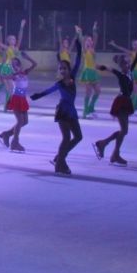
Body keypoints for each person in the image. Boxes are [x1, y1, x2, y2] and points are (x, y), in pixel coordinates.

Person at [31, 39, 82, 175]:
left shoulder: (73, 77)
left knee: (78, 137)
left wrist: (79, 48)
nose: (62, 70)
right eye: (60, 69)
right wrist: (38, 95)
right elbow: (48, 91)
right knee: (66, 138)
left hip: (71, 111)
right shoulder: (60, 83)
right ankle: (60, 163)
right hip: (63, 111)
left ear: (69, 69)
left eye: (65, 68)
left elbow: (78, 61)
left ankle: (59, 157)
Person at [93, 36, 137, 166]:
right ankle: (106, 146)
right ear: (121, 66)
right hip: (121, 103)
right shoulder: (120, 74)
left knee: (124, 131)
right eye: (124, 64)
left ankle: (111, 150)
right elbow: (108, 68)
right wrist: (99, 67)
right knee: (124, 130)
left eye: (127, 63)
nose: (127, 65)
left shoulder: (130, 72)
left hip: (127, 102)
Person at [0, 51, 38, 153]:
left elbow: (35, 64)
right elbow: (2, 77)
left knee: (25, 122)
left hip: (22, 99)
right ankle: (15, 142)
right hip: (15, 98)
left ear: (19, 64)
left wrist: (27, 57)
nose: (14, 66)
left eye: (16, 64)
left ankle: (7, 134)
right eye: (12, 64)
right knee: (20, 121)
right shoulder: (14, 75)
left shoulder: (24, 72)